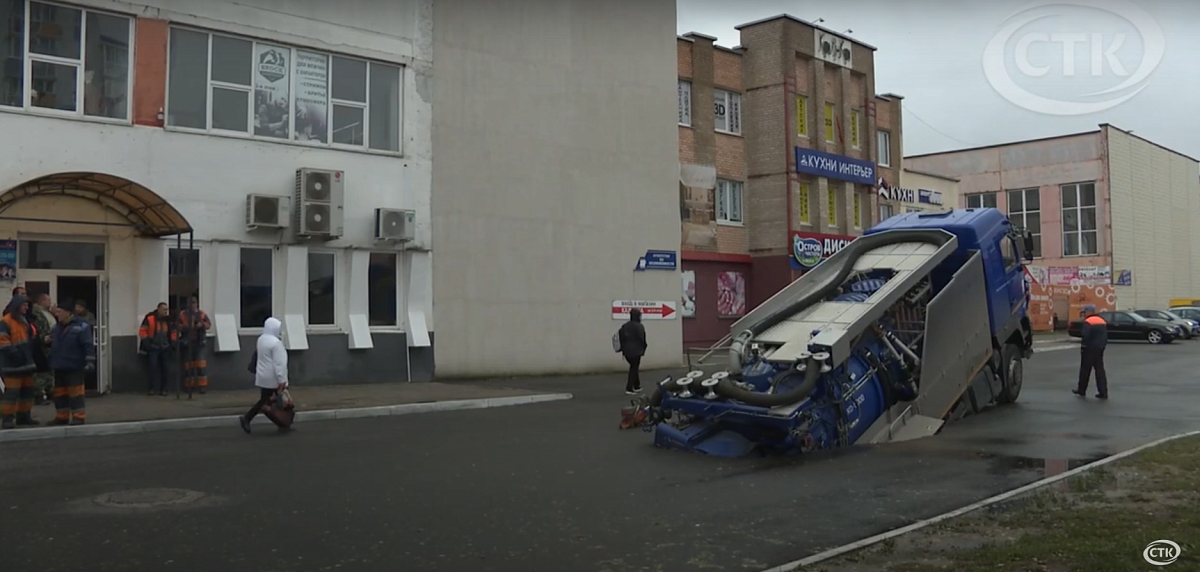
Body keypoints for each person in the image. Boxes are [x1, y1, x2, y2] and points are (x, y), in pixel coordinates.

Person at [240, 317, 291, 433]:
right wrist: (282, 379)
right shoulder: (276, 343)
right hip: (272, 377)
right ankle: (247, 418)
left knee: (268, 401)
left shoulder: (261, 339)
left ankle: (283, 424)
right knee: (269, 401)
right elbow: (279, 364)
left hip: (262, 376)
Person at [48, 300, 94, 425]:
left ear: (68, 313)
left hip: (74, 366)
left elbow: (88, 345)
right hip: (59, 365)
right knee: (59, 394)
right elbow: (53, 341)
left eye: (59, 312)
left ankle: (78, 417)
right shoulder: (57, 327)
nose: (57, 314)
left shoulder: (82, 326)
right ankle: (61, 417)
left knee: (76, 394)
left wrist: (90, 361)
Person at [0, 296, 40, 428]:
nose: (26, 307)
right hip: (12, 366)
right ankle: (7, 419)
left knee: (27, 392)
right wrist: (16, 354)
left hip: (26, 364)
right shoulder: (6, 322)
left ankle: (24, 416)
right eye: (24, 305)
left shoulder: (25, 321)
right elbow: (3, 342)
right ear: (17, 306)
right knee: (11, 394)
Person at [138, 302, 178, 396]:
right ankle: (151, 389)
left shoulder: (169, 320)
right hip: (153, 348)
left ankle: (164, 389)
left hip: (166, 347)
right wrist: (147, 343)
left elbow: (174, 332)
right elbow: (143, 331)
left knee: (166, 369)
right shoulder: (150, 318)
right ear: (158, 309)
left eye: (167, 310)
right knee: (152, 368)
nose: (166, 311)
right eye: (164, 309)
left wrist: (173, 343)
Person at [178, 297, 212, 394]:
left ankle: (202, 387)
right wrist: (185, 327)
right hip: (187, 343)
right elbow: (177, 325)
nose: (192, 305)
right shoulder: (183, 314)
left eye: (194, 303)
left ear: (196, 304)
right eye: (190, 303)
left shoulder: (202, 314)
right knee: (189, 366)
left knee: (201, 366)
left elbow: (209, 324)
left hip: (199, 343)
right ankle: (189, 386)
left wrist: (201, 325)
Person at [1073, 311, 1108, 399]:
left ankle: (1081, 390)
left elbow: (1085, 335)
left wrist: (1083, 346)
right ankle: (1103, 392)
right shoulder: (1102, 321)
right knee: (1100, 370)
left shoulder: (1088, 321)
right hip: (1100, 348)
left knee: (1085, 370)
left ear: (1087, 313)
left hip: (1089, 348)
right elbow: (1105, 336)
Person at [31, 292, 55, 405]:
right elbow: (38, 328)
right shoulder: (37, 313)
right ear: (42, 301)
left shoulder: (47, 313)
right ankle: (39, 394)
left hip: (49, 344)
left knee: (49, 371)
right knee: (41, 372)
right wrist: (43, 338)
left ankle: (50, 391)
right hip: (41, 345)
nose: (50, 302)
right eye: (48, 300)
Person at [618, 308, 648, 395]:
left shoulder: (625, 326)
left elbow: (621, 337)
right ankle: (629, 388)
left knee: (634, 367)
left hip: (627, 351)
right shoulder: (639, 326)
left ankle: (637, 385)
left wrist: (623, 349)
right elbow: (642, 339)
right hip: (636, 351)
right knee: (634, 368)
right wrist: (644, 348)